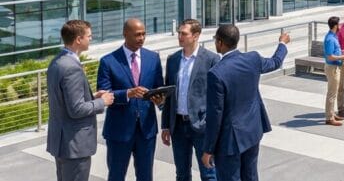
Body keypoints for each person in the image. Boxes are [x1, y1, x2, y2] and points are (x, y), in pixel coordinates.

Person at [202, 25, 289, 181]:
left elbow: (215, 115)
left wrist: (208, 149)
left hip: (229, 142)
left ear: (220, 42)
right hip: (252, 132)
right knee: (250, 176)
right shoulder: (253, 59)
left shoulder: (216, 73)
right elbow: (275, 62)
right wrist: (282, 44)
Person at [97, 18, 164, 181]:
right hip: (119, 131)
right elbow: (104, 93)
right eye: (137, 35)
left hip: (146, 130)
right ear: (125, 34)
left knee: (146, 176)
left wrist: (160, 101)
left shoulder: (153, 58)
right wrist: (128, 93)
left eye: (143, 34)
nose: (141, 38)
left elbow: (158, 87)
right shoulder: (108, 61)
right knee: (116, 176)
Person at [46, 20, 114, 181]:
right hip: (74, 145)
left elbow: (65, 101)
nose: (91, 38)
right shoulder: (71, 68)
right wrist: (102, 102)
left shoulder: (56, 62)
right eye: (89, 36)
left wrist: (92, 97)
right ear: (78, 39)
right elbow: (76, 110)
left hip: (62, 142)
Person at [161, 19, 221, 181]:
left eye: (183, 33)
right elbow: (169, 95)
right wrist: (166, 125)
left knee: (209, 173)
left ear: (196, 35)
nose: (179, 36)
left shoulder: (211, 59)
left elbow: (217, 97)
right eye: (179, 33)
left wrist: (208, 122)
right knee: (181, 173)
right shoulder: (173, 60)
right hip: (178, 126)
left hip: (202, 127)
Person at [323, 16, 344, 126]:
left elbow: (334, 52)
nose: (340, 26)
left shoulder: (333, 36)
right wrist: (343, 57)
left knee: (333, 92)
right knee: (332, 93)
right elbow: (330, 57)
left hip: (335, 67)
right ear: (335, 26)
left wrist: (341, 52)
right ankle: (329, 118)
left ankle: (332, 114)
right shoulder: (330, 38)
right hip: (332, 68)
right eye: (339, 24)